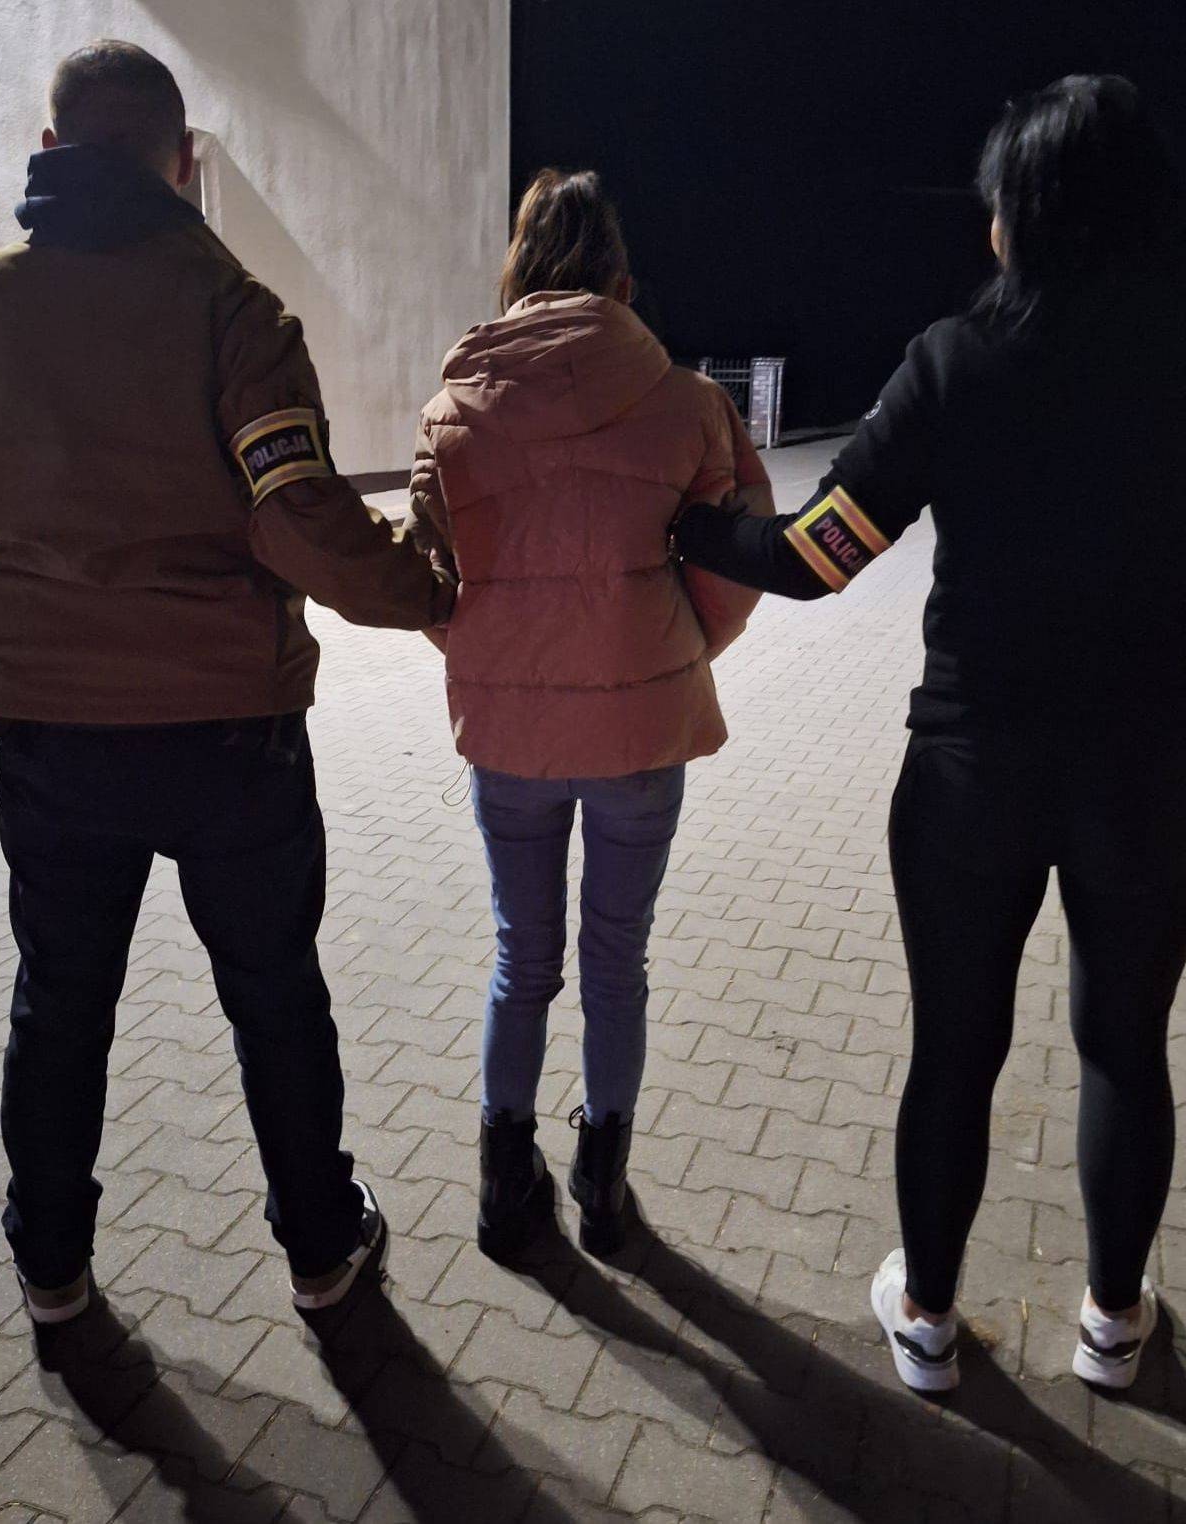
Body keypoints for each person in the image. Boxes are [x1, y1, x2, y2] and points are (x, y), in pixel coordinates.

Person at [672, 75, 1186, 1391]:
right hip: (1152, 780)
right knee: (1124, 1047)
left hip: (970, 775)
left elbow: (816, 556)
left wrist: (686, 527)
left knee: (954, 1048)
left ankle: (923, 1319)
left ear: (1023, 219)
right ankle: (1113, 1325)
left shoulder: (953, 365)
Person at [0, 40, 454, 1323]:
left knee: (60, 1000)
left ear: (48, 152)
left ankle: (51, 1269)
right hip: (230, 736)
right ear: (184, 161)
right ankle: (321, 1252)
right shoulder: (234, 311)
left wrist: (3, 675)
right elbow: (298, 514)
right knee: (274, 997)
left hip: (51, 742)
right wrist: (426, 593)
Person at [405, 170, 771, 1258]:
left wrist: (491, 659)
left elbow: (429, 578)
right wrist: (673, 651)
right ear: (618, 275)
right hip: (639, 739)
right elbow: (737, 559)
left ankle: (501, 1187)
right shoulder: (688, 404)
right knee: (618, 961)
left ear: (517, 270)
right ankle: (604, 1190)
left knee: (521, 958)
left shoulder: (454, 408)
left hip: (509, 742)